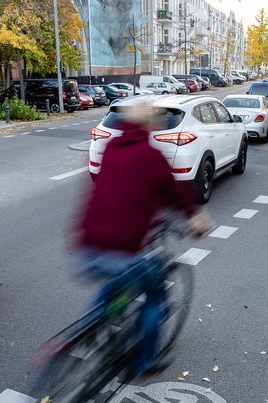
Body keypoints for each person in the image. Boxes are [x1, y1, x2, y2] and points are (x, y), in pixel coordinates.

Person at [73, 100, 212, 376]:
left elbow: (121, 192)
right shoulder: (151, 156)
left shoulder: (112, 148)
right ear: (147, 126)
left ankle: (87, 330)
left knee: (114, 284)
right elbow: (175, 195)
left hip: (86, 246)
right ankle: (144, 362)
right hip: (124, 250)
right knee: (155, 296)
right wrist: (196, 219)